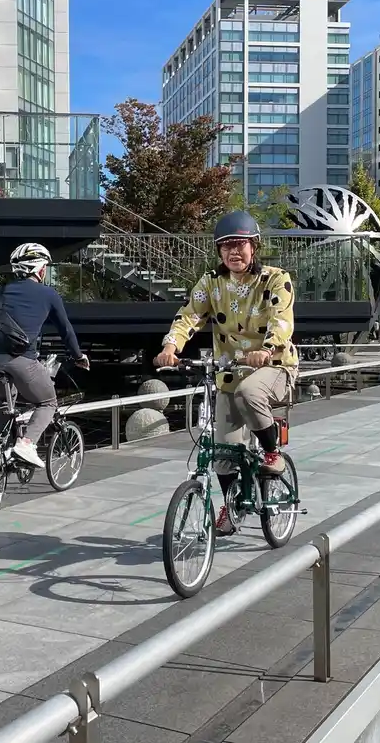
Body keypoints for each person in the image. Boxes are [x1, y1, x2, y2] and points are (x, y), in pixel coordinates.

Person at [154, 210, 297, 534]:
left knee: (250, 392)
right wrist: (170, 348)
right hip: (229, 373)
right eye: (226, 245)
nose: (234, 251)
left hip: (274, 366)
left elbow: (281, 320)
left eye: (240, 244)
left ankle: (272, 452)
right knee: (221, 453)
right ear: (219, 251)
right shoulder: (212, 283)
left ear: (254, 247)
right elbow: (189, 316)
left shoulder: (275, 279)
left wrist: (266, 349)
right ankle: (232, 508)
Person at [0, 242, 89, 468]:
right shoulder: (48, 294)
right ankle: (26, 444)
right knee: (47, 402)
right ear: (40, 269)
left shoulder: (0, 291)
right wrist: (78, 356)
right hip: (20, 360)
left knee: (5, 401)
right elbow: (66, 330)